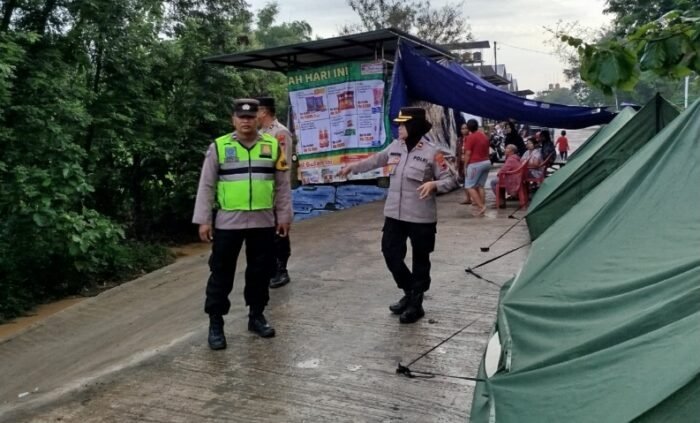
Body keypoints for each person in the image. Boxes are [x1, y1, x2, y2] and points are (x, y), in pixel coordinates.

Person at [337, 107, 457, 324]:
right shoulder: (395, 147)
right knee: (390, 252)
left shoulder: (433, 152)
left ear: (414, 127)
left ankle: (415, 304)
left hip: (421, 217)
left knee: (421, 260)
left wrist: (434, 184)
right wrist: (352, 167)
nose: (399, 128)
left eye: (403, 124)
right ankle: (410, 291)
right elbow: (375, 160)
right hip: (394, 214)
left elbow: (451, 180)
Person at [192, 98, 292, 350]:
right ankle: (216, 324)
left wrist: (284, 216)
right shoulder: (219, 146)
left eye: (251, 117)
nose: (246, 121)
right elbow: (206, 185)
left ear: (258, 118)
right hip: (228, 222)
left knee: (260, 272)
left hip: (263, 221)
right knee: (221, 273)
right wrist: (204, 219)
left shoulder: (271, 145)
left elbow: (282, 185)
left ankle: (256, 316)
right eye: (241, 117)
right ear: (233, 119)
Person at [256, 96, 294, 289]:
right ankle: (270, 269)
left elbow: (283, 167)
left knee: (279, 233)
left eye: (255, 110)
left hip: (276, 192)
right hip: (261, 193)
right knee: (265, 235)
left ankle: (281, 270)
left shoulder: (280, 133)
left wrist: (281, 198)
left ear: (263, 111)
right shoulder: (259, 134)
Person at [462, 119, 491, 216]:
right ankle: (482, 205)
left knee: (469, 186)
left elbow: (468, 153)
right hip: (486, 162)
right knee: (480, 186)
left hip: (475, 164)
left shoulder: (470, 137)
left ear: (469, 128)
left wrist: (465, 166)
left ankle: (481, 206)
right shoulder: (484, 136)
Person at [458, 122, 471, 204]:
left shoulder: (470, 138)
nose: (464, 130)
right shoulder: (459, 140)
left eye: (465, 128)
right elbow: (457, 152)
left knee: (470, 181)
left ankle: (473, 198)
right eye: (462, 128)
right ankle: (468, 198)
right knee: (465, 181)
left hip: (470, 163)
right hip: (461, 163)